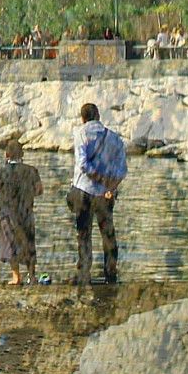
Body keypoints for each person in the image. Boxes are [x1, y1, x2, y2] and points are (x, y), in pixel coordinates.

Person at [68, 101, 126, 286]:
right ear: (99, 116)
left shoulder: (80, 133)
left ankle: (84, 273)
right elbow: (122, 169)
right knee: (107, 232)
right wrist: (110, 186)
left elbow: (83, 164)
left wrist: (99, 179)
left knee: (84, 233)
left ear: (83, 118)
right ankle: (111, 272)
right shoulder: (115, 138)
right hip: (105, 195)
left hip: (83, 190)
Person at [0, 141, 43, 286]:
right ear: (22, 154)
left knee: (11, 244)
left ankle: (16, 277)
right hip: (26, 212)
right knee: (29, 243)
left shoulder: (2, 172)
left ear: (7, 155)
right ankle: (32, 276)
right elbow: (39, 190)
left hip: (7, 213)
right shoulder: (31, 170)